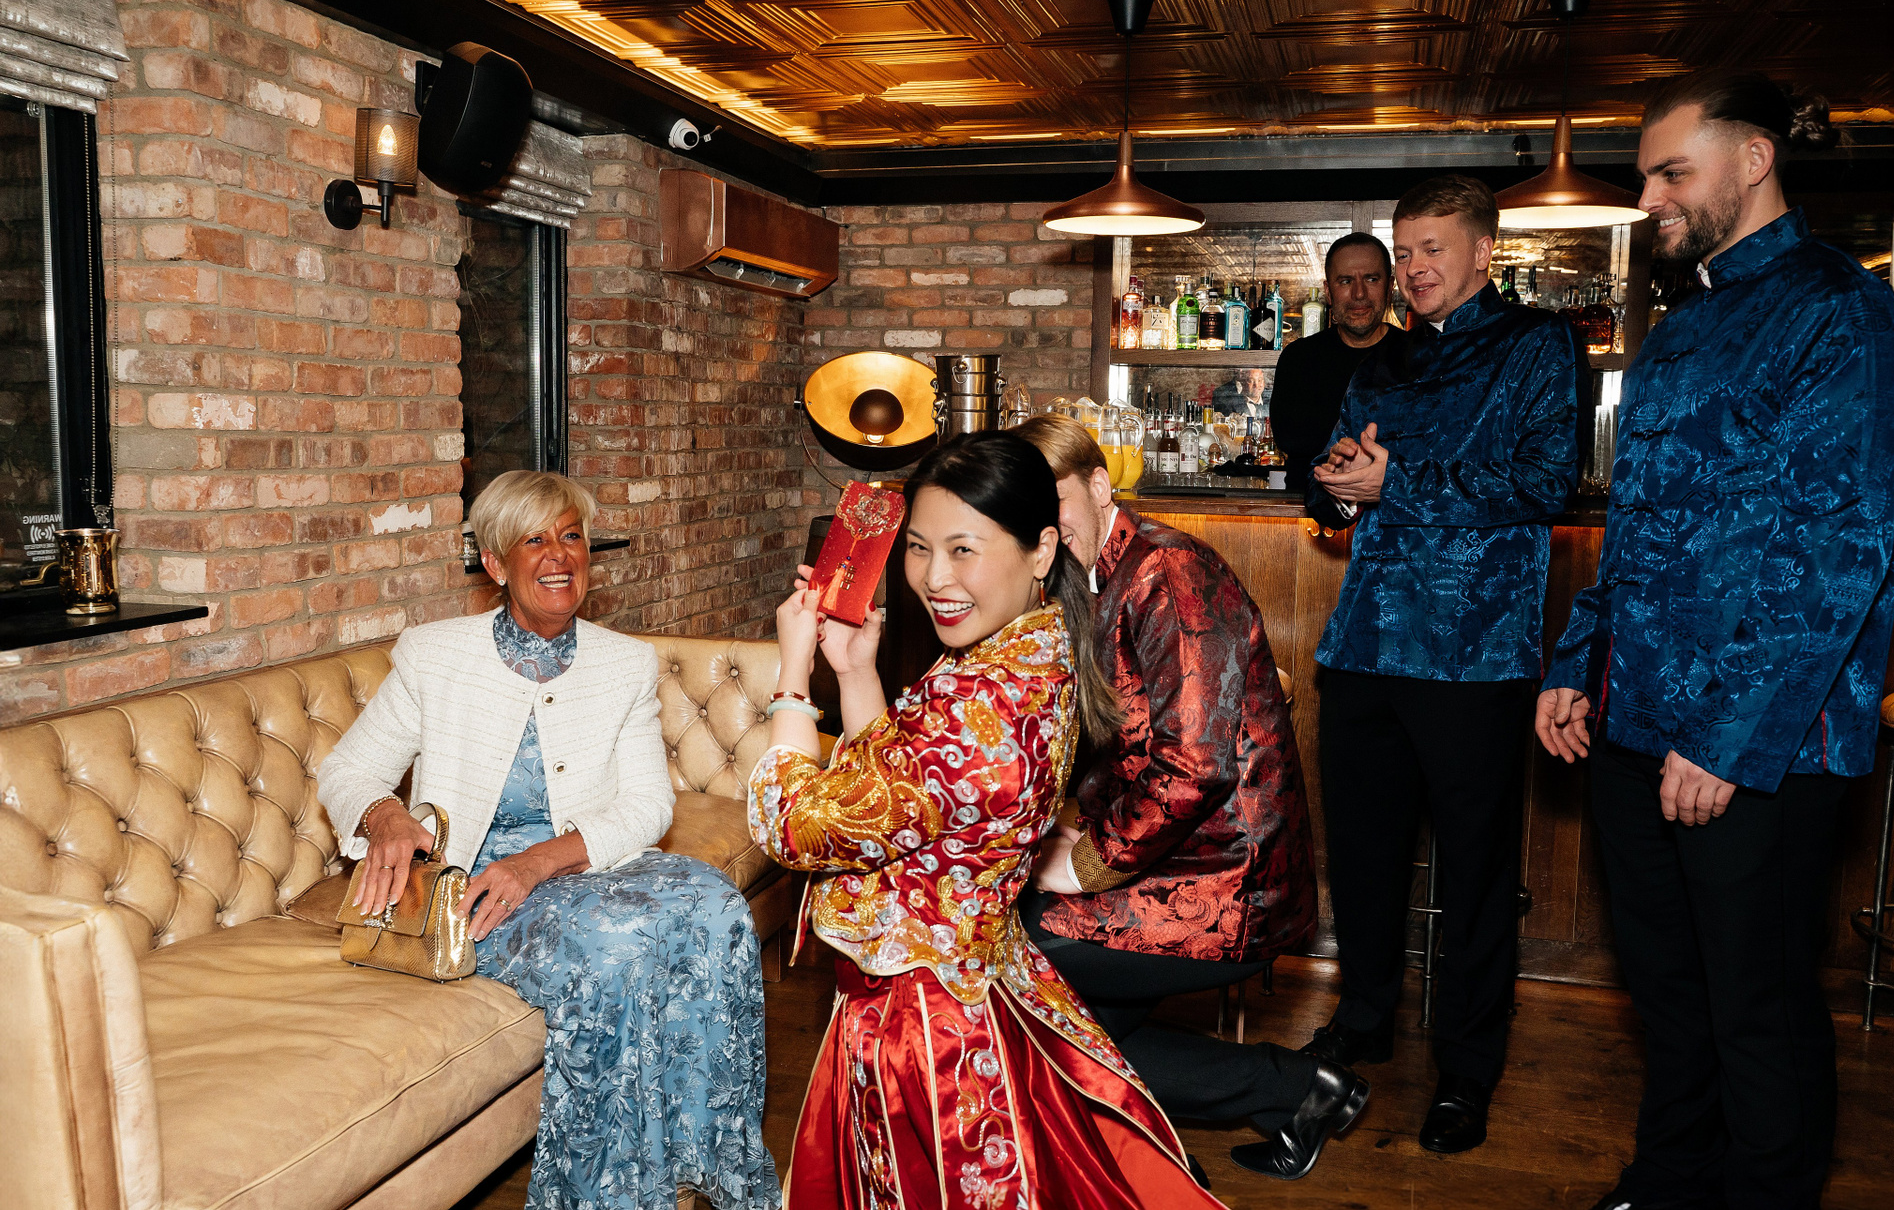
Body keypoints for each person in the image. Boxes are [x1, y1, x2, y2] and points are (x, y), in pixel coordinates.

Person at [1536, 72, 1894, 1210]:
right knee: (1666, 988)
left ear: (1754, 160)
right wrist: (1577, 661)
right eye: (1646, 175)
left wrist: (1727, 739)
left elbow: (1837, 548)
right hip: (1637, 716)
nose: (1650, 196)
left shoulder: (1842, 310)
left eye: (1672, 172)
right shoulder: (1683, 322)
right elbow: (1639, 526)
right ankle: (1669, 1179)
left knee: (1757, 1004)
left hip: (1761, 744)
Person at [748, 433, 1224, 1209]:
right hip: (970, 986)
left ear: (1042, 550)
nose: (935, 577)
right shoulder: (1026, 652)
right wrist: (857, 669)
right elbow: (899, 794)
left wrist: (792, 677)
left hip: (921, 1029)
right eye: (919, 548)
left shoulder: (977, 708)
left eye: (963, 549)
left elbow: (790, 823)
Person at [318, 471, 779, 1210]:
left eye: (571, 536)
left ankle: (705, 1168)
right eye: (534, 540)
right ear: (496, 563)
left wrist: (537, 862)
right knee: (619, 951)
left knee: (718, 907)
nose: (559, 555)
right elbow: (348, 770)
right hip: (477, 891)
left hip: (580, 864)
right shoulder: (435, 657)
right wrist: (386, 816)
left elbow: (647, 805)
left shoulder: (624, 662)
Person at [1009, 413, 1367, 1183]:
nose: (1043, 522)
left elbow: (1196, 766)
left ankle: (1183, 1143)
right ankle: (1289, 1096)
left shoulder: (1167, 571)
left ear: (1098, 485)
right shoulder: (1083, 578)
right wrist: (1063, 825)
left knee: (1029, 958)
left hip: (1233, 875)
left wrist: (1088, 861)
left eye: (1053, 498)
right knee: (1064, 1024)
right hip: (1170, 856)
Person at [1305, 175, 1580, 1155]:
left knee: (1475, 873)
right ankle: (1364, 1018)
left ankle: (1468, 1064)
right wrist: (1338, 488)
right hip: (1366, 643)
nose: (1413, 269)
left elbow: (1548, 480)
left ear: (1482, 250)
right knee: (1364, 856)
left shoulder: (1539, 343)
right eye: (1404, 251)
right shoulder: (1382, 358)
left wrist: (1400, 480)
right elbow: (1337, 476)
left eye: (1431, 249)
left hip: (1476, 653)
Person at [1269, 232, 1408, 474]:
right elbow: (1291, 441)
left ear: (1389, 287)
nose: (1359, 294)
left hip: (1393, 499)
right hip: (1310, 498)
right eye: (1345, 281)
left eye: (1371, 279)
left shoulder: (1419, 356)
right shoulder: (1299, 358)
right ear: (1328, 292)